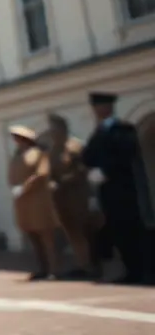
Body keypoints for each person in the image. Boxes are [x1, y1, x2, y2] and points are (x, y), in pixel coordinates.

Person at [81, 91, 154, 285]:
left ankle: (141, 271)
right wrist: (92, 170)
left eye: (99, 106)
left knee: (132, 229)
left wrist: (105, 171)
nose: (97, 110)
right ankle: (130, 270)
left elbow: (126, 154)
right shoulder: (98, 132)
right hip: (107, 190)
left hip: (125, 189)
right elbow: (88, 156)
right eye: (95, 107)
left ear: (108, 107)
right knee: (117, 231)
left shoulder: (123, 129)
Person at [46, 113, 98, 279]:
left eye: (54, 129)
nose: (52, 133)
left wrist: (65, 180)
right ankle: (81, 263)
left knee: (84, 230)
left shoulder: (75, 146)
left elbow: (83, 169)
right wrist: (51, 182)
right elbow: (50, 172)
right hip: (61, 198)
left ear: (63, 129)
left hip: (78, 195)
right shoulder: (53, 150)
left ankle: (91, 265)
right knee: (71, 231)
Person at [8, 125, 59, 280]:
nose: (16, 140)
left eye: (19, 137)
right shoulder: (17, 156)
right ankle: (42, 267)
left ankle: (53, 269)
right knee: (32, 235)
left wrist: (25, 186)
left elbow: (42, 173)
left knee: (46, 235)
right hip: (23, 202)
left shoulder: (38, 153)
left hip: (38, 198)